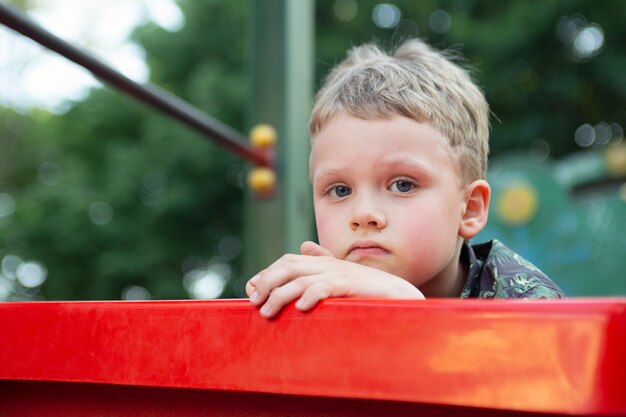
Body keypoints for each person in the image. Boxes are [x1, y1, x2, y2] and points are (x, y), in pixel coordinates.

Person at [246, 38, 565, 318]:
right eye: (340, 190)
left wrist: (410, 308)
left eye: (402, 184)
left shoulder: (530, 305)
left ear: (468, 208)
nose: (363, 215)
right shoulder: (313, 297)